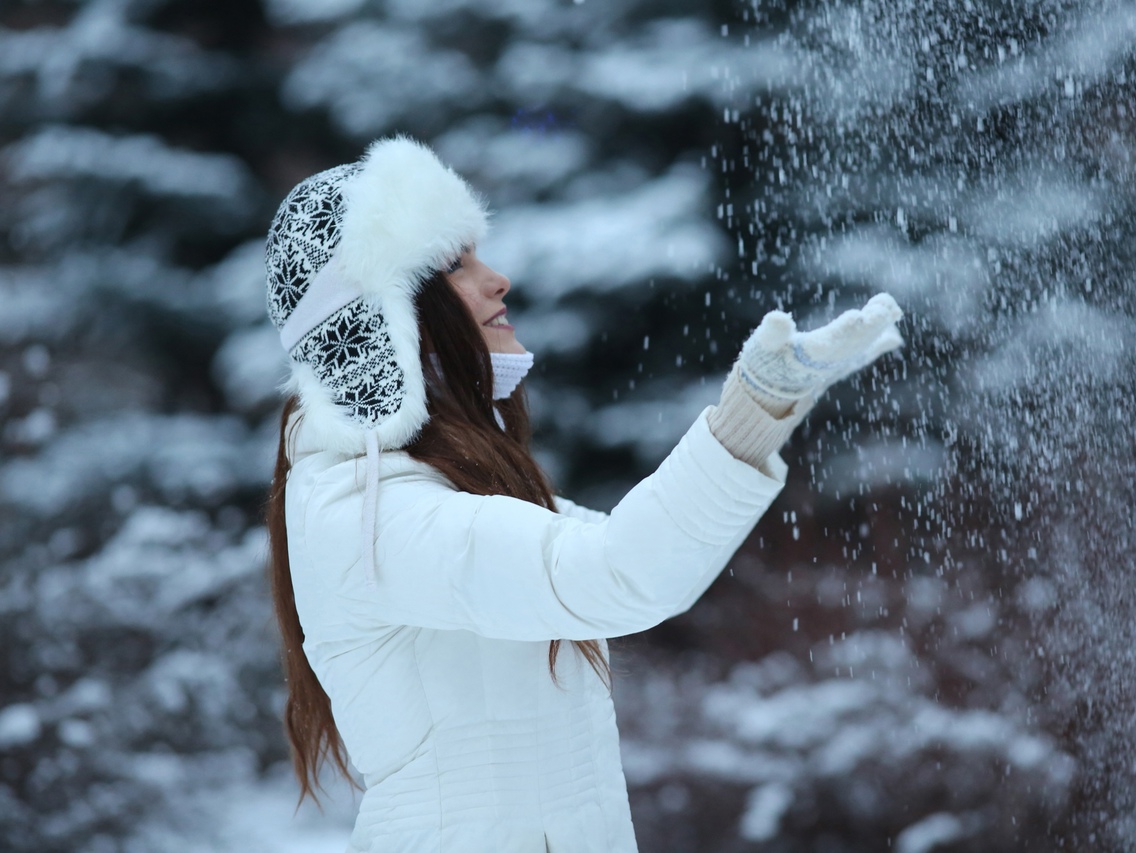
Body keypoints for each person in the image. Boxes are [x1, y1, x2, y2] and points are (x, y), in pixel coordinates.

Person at [263, 135, 903, 853]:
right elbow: (619, 572)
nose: (497, 278)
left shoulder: (433, 490)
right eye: (454, 264)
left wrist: (761, 416)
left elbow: (624, 548)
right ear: (375, 317)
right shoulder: (369, 517)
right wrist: (747, 417)